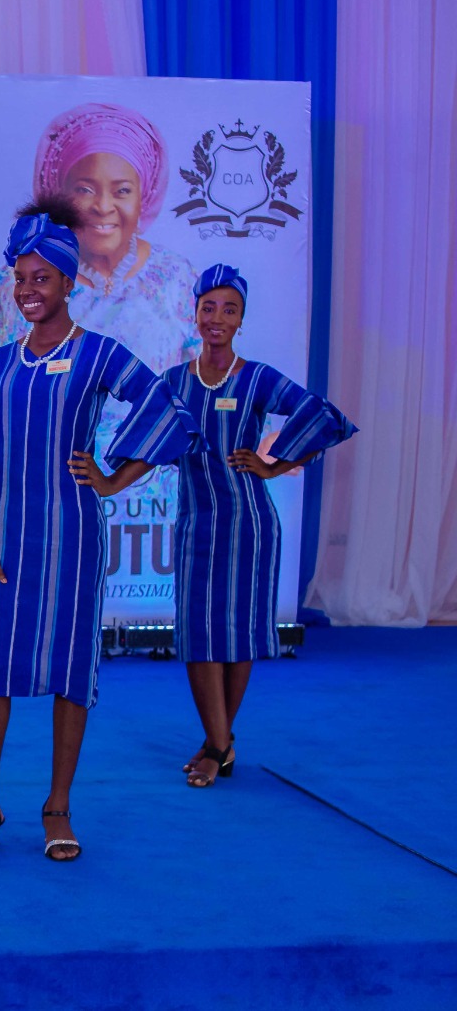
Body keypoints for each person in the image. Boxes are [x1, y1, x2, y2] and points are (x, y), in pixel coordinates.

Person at [0, 207, 200, 863]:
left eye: (42, 278)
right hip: (4, 541)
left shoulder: (100, 353)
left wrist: (114, 478)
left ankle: (58, 807)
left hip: (75, 540)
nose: (28, 291)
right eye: (21, 279)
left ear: (69, 283)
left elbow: (167, 406)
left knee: (71, 673)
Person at [0, 102, 200, 507]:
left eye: (122, 190)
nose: (103, 206)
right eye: (85, 189)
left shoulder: (174, 281)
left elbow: (180, 402)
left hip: (143, 523)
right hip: (14, 507)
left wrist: (114, 479)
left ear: (145, 195)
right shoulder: (2, 322)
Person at [165, 264, 356, 788]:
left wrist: (275, 463)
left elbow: (322, 414)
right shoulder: (175, 380)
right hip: (194, 525)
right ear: (196, 313)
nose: (217, 318)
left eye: (229, 309)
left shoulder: (257, 378)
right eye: (209, 307)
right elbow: (144, 433)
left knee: (240, 634)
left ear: (242, 319)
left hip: (250, 524)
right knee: (200, 635)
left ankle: (216, 746)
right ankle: (220, 742)